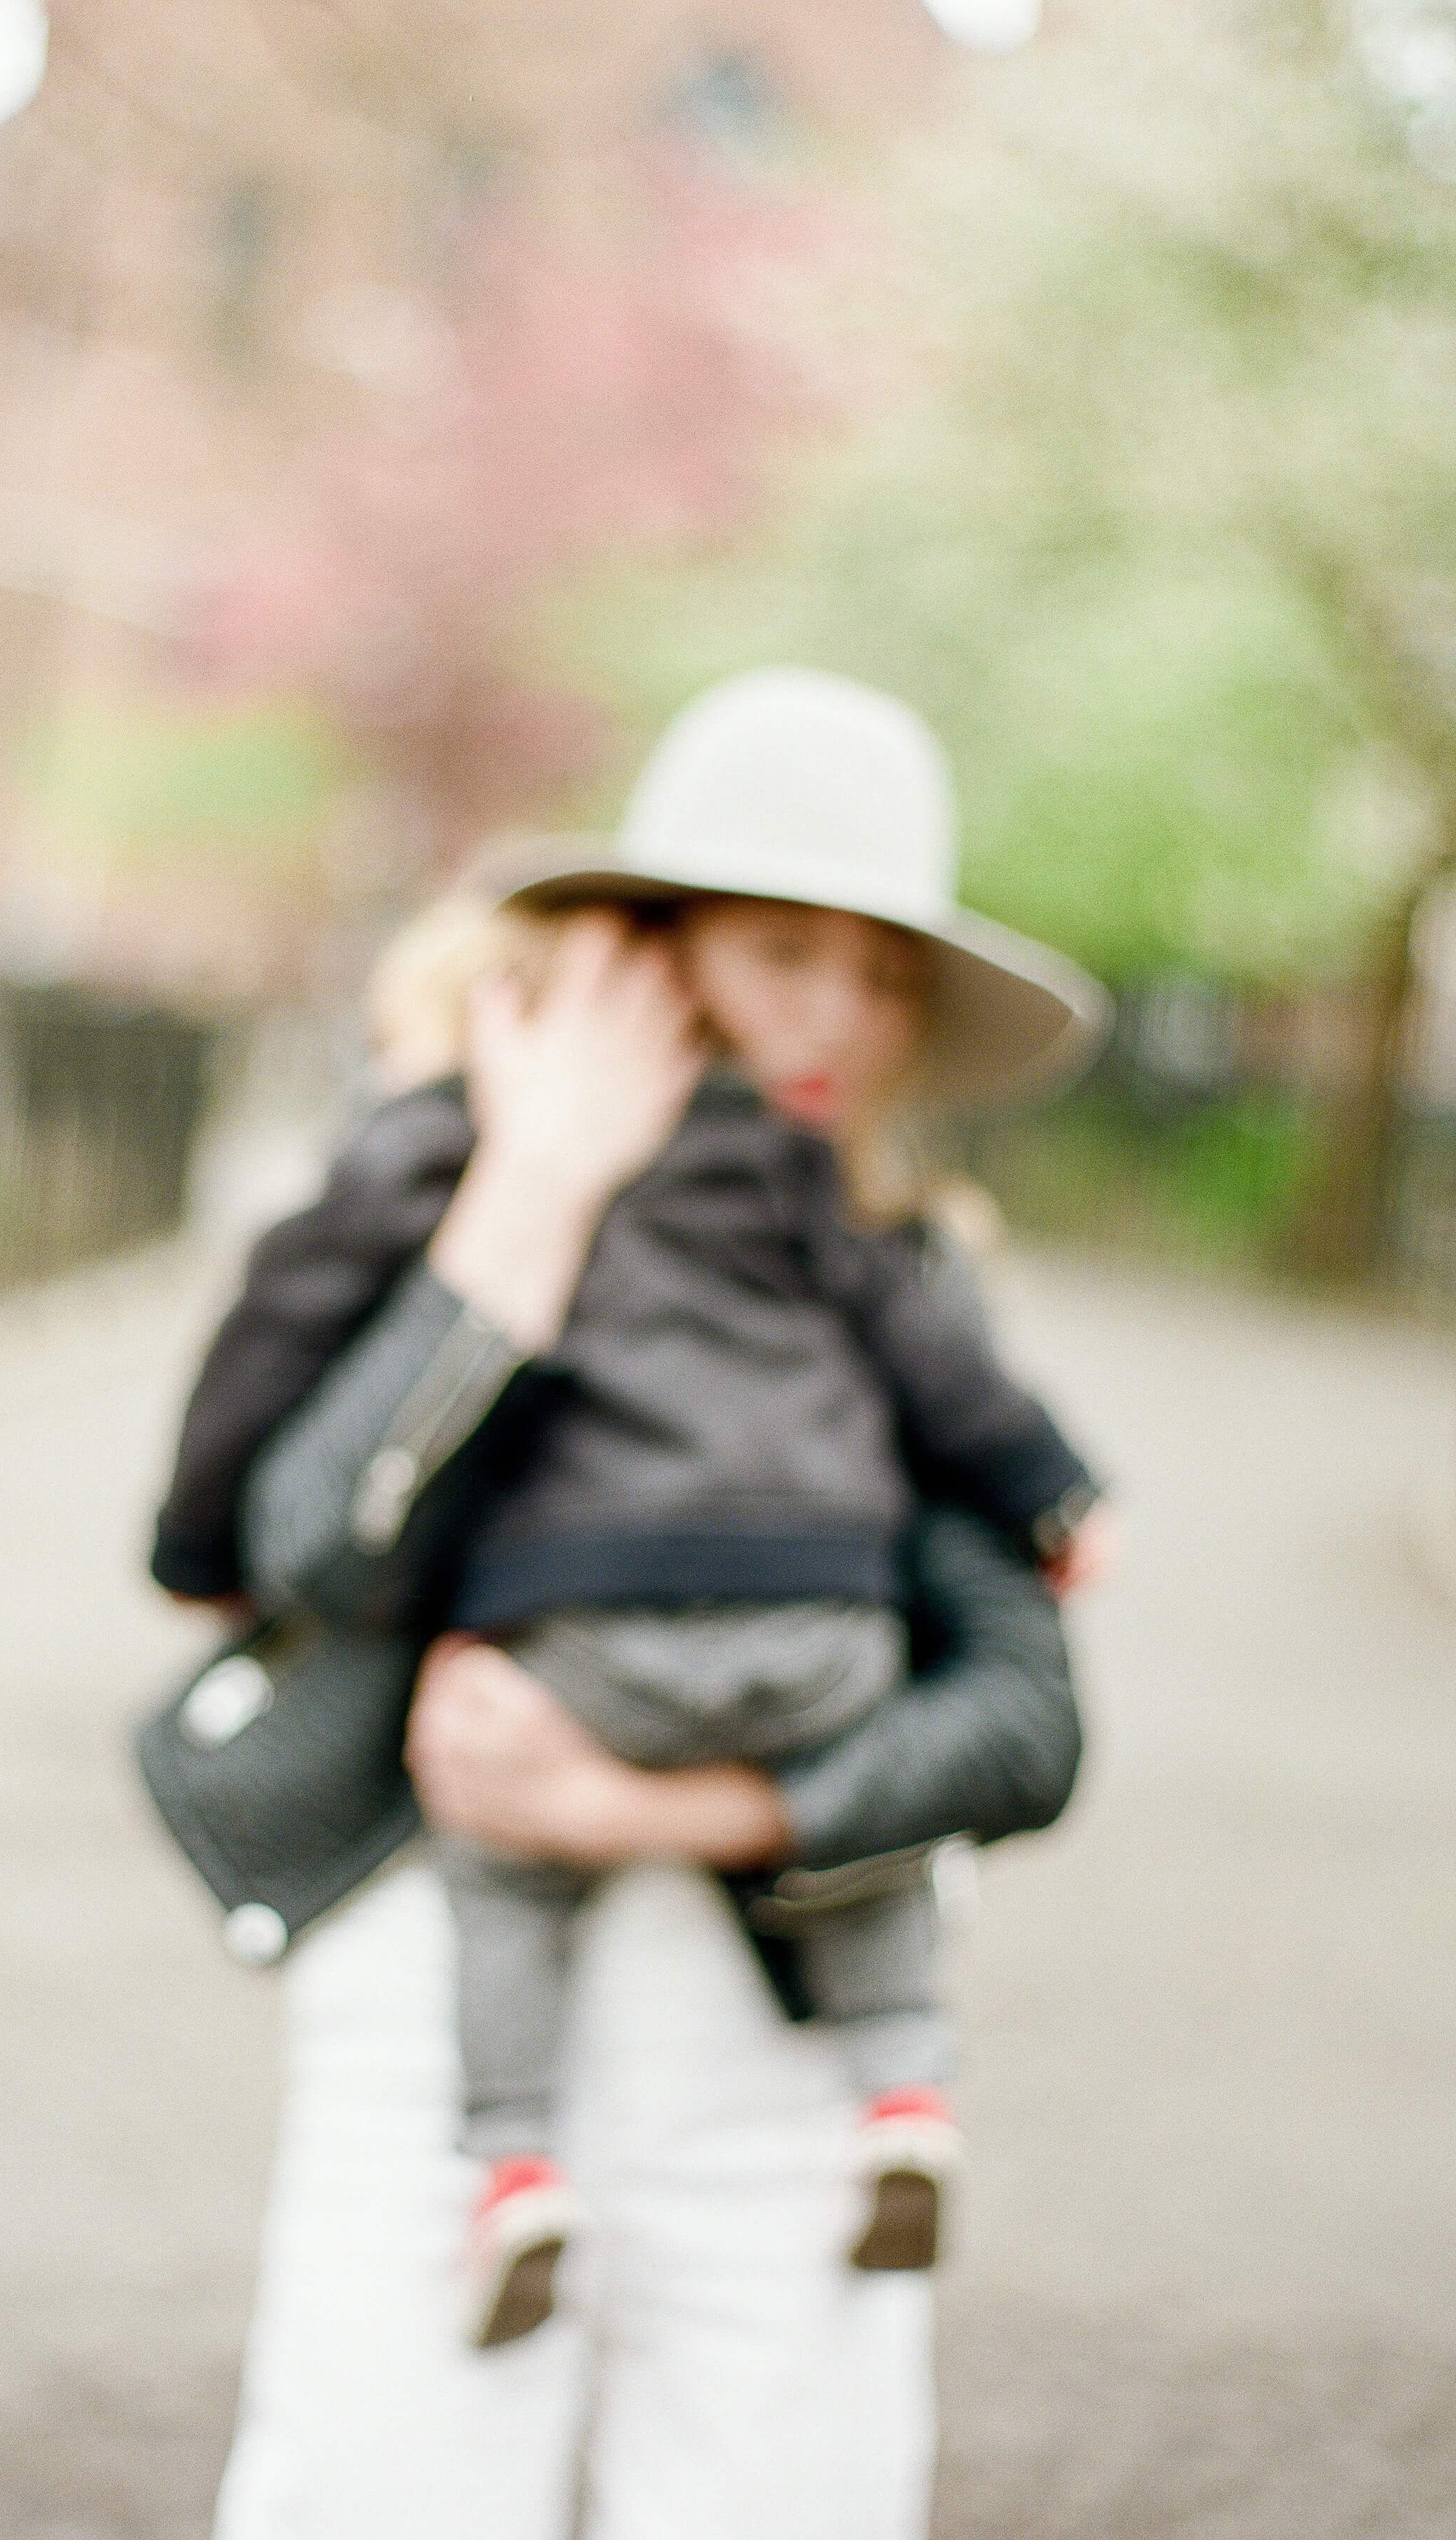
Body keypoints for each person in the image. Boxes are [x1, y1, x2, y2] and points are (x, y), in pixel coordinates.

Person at [157, 670, 1108, 2536]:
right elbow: (304, 1553)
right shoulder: (440, 1210)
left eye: (881, 972)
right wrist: (539, 1183)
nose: (835, 1016)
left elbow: (1025, 1718)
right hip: (443, 2030)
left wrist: (644, 1810)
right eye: (780, 952)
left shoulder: (895, 1298)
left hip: (790, 2037)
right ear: (641, 959)